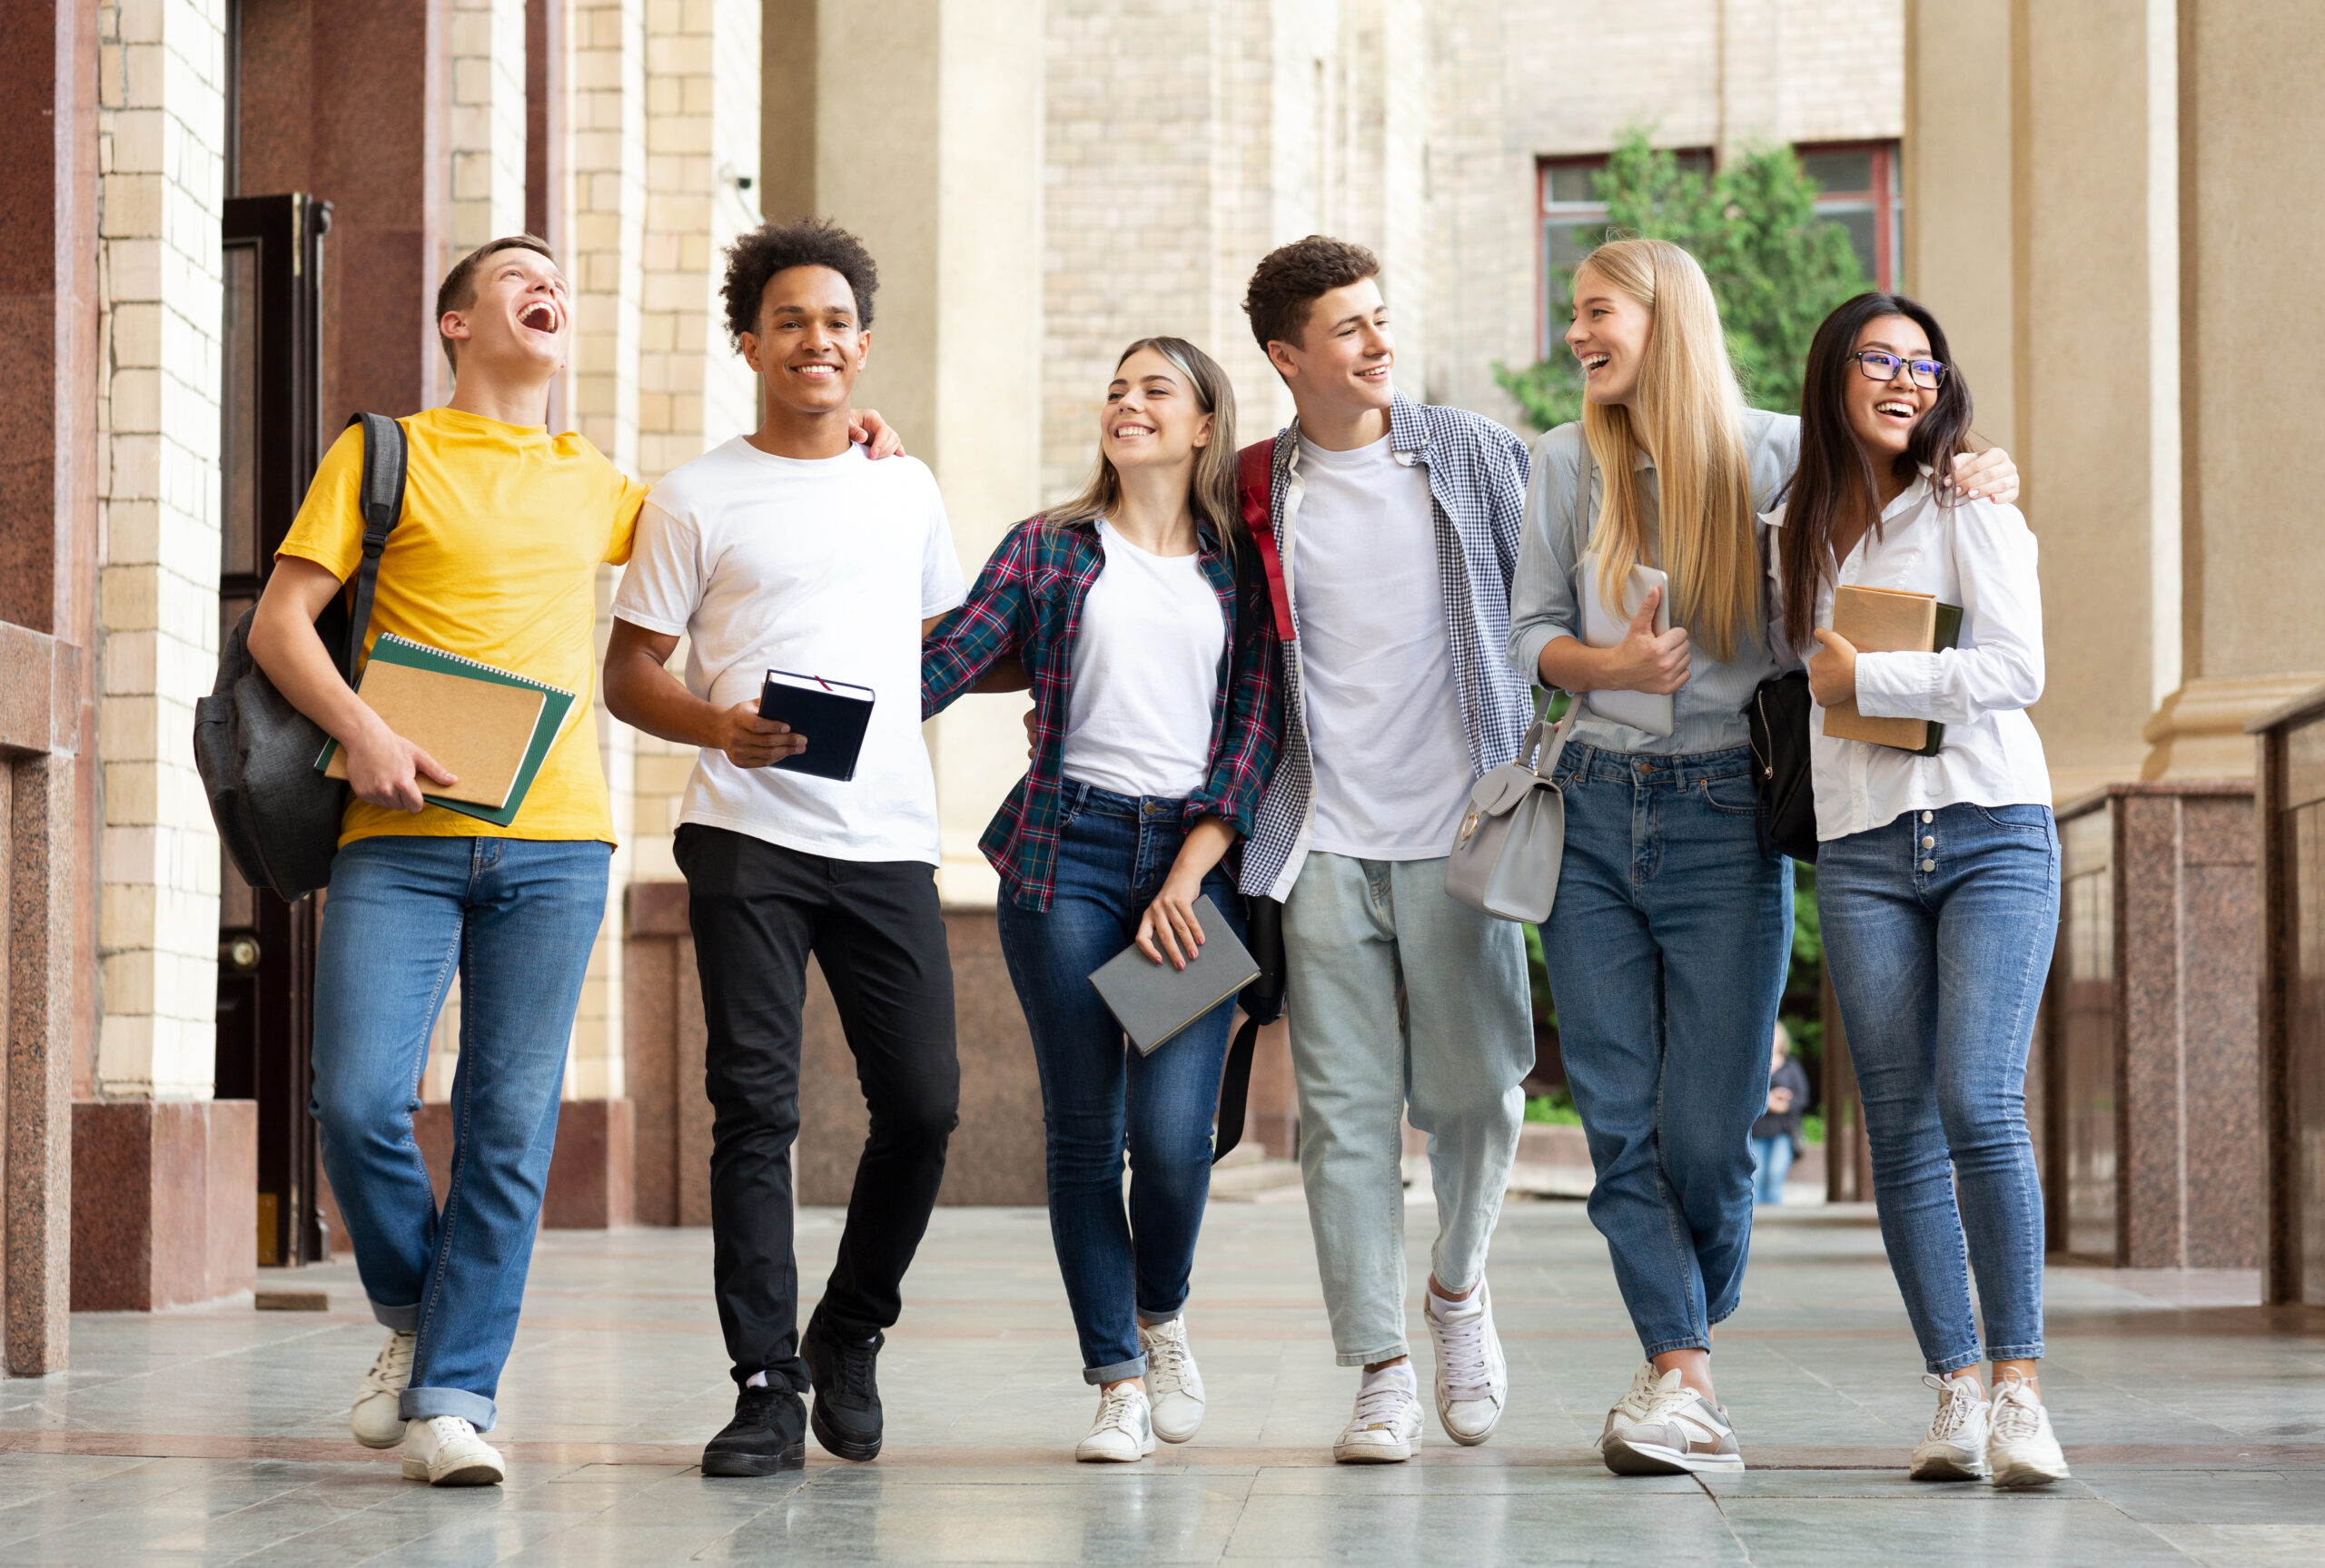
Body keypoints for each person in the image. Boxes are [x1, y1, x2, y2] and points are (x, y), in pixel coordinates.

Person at [249, 234, 900, 1488]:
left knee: (508, 1124)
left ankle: (452, 1393)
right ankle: (415, 1308)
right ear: (456, 323)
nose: (545, 285)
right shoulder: (387, 448)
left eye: (557, 278)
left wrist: (844, 430)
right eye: (514, 275)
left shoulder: (601, 482)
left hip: (556, 839)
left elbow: (737, 510)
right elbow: (283, 621)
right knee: (359, 1100)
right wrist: (366, 731)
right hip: (399, 832)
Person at [1508, 237, 2020, 1477]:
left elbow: (1899, 488)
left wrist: (1971, 463)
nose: (1575, 333)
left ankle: (1687, 1312)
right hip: (1589, 808)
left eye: (1595, 311)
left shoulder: (1782, 452)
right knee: (1619, 1114)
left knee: (1712, 1126)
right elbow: (1527, 635)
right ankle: (1681, 1369)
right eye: (1573, 313)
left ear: (1665, 317)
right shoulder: (1566, 463)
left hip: (1729, 815)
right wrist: (1610, 666)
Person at [602, 219, 964, 1478]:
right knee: (753, 1106)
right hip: (744, 833)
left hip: (887, 840)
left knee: (924, 1104)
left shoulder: (904, 483)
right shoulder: (695, 495)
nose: (817, 340)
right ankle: (765, 1379)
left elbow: (939, 644)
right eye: (790, 320)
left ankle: (851, 1327)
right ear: (749, 342)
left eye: (837, 322)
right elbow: (627, 672)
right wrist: (716, 724)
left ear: (863, 346)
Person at [922, 337, 1281, 1463]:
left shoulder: (1241, 566)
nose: (1126, 404)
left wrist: (1190, 868)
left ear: (1202, 425)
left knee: (1174, 1141)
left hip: (1192, 864)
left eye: (1153, 390)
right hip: (1062, 854)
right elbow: (943, 660)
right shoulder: (1047, 547)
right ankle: (1115, 1374)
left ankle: (1160, 1311)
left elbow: (1254, 731)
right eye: (1116, 390)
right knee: (1085, 1133)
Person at [1236, 236, 1534, 1464]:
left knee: (1479, 1091)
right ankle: (1378, 1364)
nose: (1377, 342)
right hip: (1319, 833)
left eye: (1380, 317)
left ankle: (1457, 1289)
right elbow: (1128, 507)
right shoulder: (1252, 484)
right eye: (1348, 328)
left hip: (1463, 830)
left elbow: (1565, 583)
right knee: (1343, 1118)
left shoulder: (1469, 453)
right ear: (1286, 356)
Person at [1772, 291, 2069, 1488]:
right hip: (1863, 848)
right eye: (1878, 360)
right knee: (1894, 1121)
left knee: (1978, 1098)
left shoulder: (1968, 501)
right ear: (1833, 376)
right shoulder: (1790, 523)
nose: (1905, 380)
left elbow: (2019, 666)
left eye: (1925, 365)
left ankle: (2018, 1390)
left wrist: (1867, 668)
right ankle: (1952, 1384)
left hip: (1993, 827)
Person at [1748, 1024, 1812, 1205]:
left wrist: (1785, 1103)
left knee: (1775, 1174)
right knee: (1756, 1177)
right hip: (1756, 1132)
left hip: (1783, 1132)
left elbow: (1802, 1097)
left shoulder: (1791, 1066)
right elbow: (1745, 1095)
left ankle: (1776, 1221)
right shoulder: (1754, 1064)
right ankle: (1756, 1221)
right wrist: (1769, 1100)